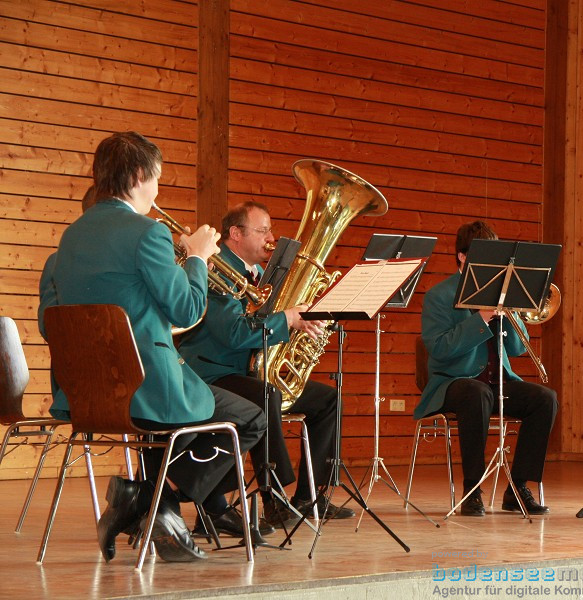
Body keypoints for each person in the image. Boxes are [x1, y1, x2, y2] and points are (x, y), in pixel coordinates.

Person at [38, 132, 266, 562]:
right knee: (249, 418)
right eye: (157, 179)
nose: (157, 191)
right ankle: (149, 499)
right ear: (141, 175)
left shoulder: (71, 238)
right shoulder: (148, 234)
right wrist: (197, 257)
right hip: (148, 389)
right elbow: (187, 307)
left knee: (180, 428)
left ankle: (148, 501)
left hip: (88, 394)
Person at [178, 200, 354, 530]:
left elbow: (267, 326)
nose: (270, 237)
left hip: (249, 371)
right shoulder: (215, 270)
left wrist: (306, 321)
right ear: (235, 234)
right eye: (262, 230)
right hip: (213, 371)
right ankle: (273, 497)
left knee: (328, 401)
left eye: (270, 230)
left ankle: (311, 495)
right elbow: (233, 333)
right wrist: (286, 319)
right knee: (266, 395)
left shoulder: (265, 276)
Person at [416, 220, 558, 516]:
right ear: (463, 257)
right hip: (453, 382)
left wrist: (510, 315)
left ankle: (517, 488)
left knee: (546, 399)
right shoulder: (439, 296)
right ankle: (472, 490)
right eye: (485, 257)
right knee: (476, 393)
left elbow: (518, 350)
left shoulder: (501, 292)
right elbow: (439, 349)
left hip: (499, 381)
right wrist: (479, 319)